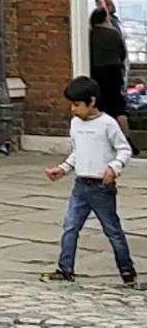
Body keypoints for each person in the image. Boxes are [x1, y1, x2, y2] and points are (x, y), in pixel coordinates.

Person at [42, 75, 136, 288]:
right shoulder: (75, 124)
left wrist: (114, 167)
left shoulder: (108, 124)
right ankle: (65, 269)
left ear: (92, 102)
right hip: (80, 185)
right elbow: (78, 152)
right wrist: (63, 168)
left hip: (101, 187)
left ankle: (127, 271)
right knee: (70, 227)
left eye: (77, 105)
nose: (73, 109)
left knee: (112, 230)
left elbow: (124, 149)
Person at [89, 6, 131, 138]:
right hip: (113, 72)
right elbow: (123, 54)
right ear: (105, 19)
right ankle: (124, 139)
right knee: (119, 108)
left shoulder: (89, 35)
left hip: (96, 73)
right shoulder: (114, 34)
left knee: (100, 107)